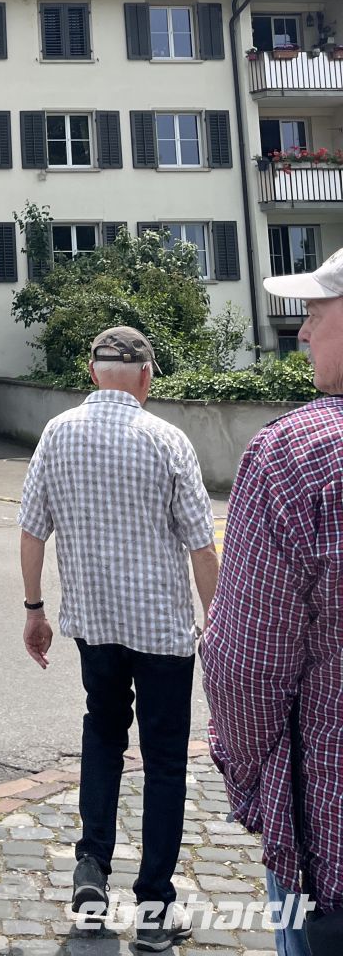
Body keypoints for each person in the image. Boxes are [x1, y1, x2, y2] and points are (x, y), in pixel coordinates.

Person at [18, 326, 219, 952]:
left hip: (94, 626)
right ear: (146, 376)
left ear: (90, 370)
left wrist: (34, 609)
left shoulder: (57, 434)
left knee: (102, 734)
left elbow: (32, 531)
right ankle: (155, 907)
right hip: (162, 631)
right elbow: (200, 545)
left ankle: (91, 872)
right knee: (163, 761)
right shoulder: (167, 440)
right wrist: (216, 625)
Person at [201, 247, 343, 955]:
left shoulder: (297, 455)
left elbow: (245, 666)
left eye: (316, 313)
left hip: (332, 837)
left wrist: (256, 784)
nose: (302, 333)